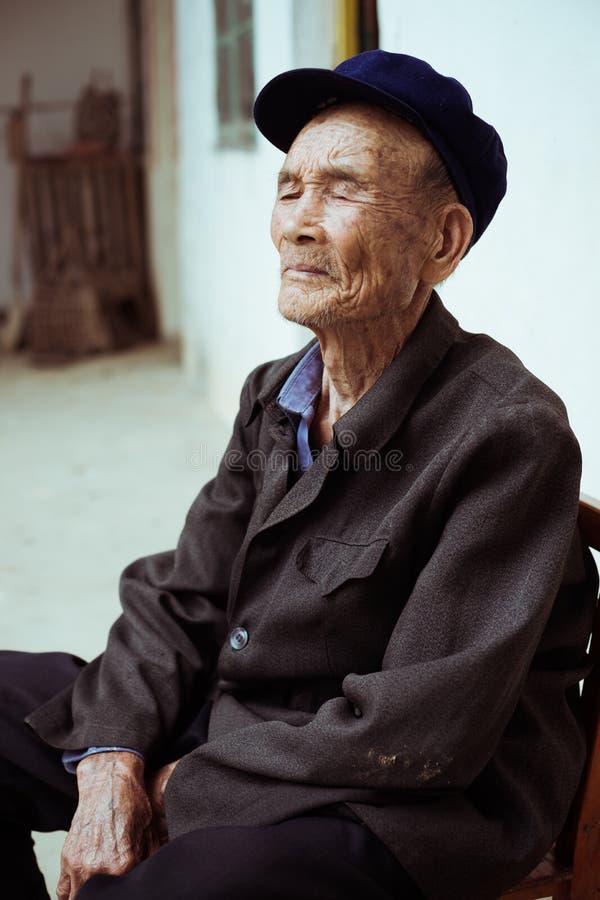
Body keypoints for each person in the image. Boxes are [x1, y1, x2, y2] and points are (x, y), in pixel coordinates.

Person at [1, 50, 597, 900]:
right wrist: (111, 760)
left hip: (395, 801)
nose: (298, 223)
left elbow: (423, 728)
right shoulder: (277, 393)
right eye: (288, 188)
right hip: (241, 724)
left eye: (342, 189)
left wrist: (177, 784)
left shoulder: (508, 436)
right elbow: (185, 597)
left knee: (157, 888)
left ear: (442, 240)